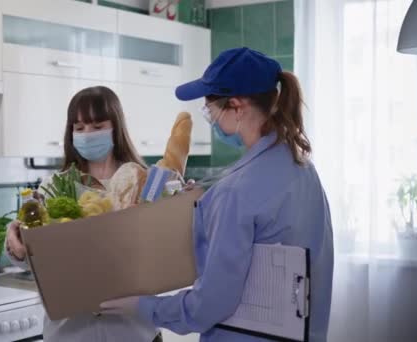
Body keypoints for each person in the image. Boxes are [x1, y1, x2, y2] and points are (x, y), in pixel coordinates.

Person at [100, 47, 334, 341]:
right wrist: (204, 203)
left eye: (209, 109)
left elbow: (209, 305)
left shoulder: (236, 191)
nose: (209, 119)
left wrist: (144, 306)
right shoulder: (303, 169)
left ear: (236, 106)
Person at [5, 86, 163, 342]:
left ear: (116, 128)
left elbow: (166, 250)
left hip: (134, 332)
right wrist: (17, 248)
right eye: (79, 128)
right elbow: (31, 254)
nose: (87, 134)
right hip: (71, 333)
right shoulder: (53, 186)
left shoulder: (144, 182)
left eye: (97, 126)